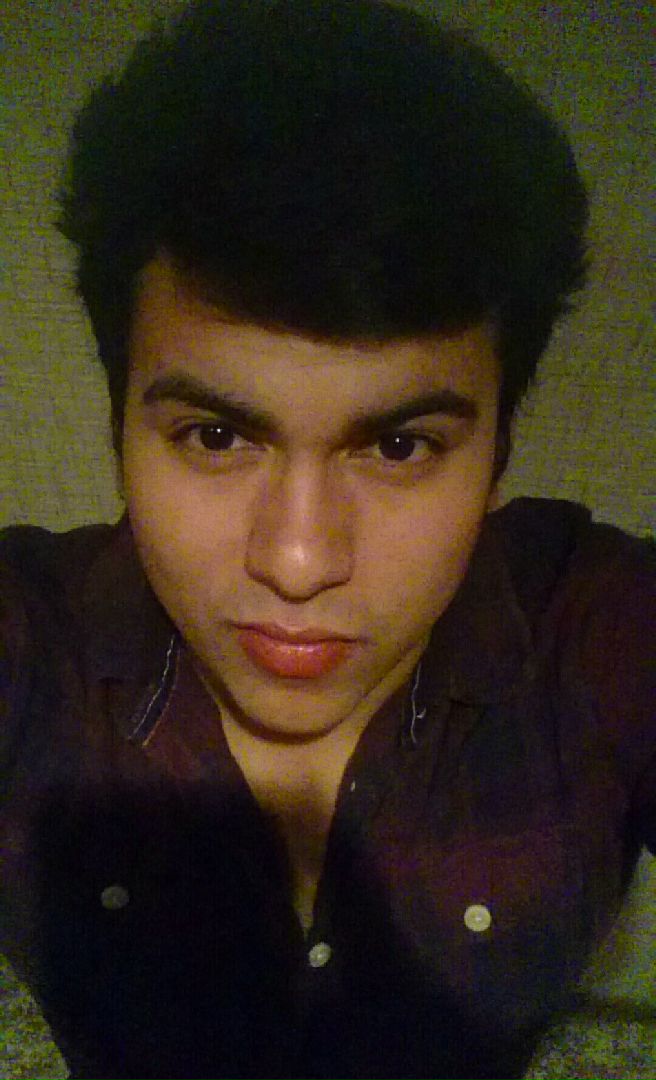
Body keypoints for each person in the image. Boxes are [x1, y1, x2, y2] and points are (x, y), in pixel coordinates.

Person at [1, 1, 653, 1078]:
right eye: (216, 436)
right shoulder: (34, 647)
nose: (298, 562)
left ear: (499, 446)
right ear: (119, 425)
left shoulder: (595, 633)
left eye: (397, 446)